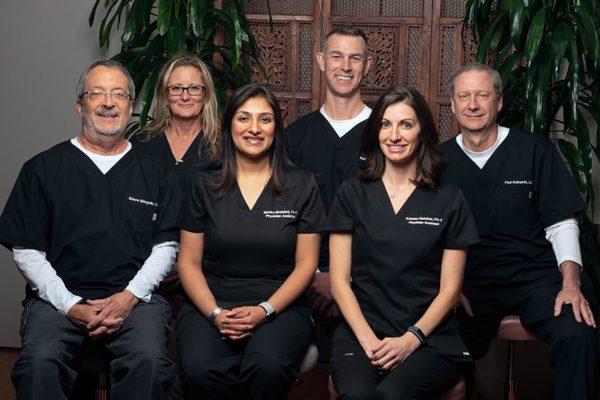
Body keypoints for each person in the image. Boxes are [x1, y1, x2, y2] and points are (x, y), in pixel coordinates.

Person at [0, 60, 178, 400]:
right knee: (40, 362)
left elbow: (167, 246)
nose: (108, 102)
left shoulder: (157, 173)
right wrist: (70, 305)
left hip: (136, 300)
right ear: (80, 105)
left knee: (151, 362)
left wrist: (127, 299)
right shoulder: (43, 169)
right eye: (97, 93)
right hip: (58, 300)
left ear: (131, 105)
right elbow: (27, 250)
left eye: (118, 94)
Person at [440, 62, 600, 399]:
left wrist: (570, 284)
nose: (473, 104)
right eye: (464, 96)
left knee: (577, 332)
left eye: (482, 95)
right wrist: (446, 288)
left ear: (498, 102)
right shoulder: (438, 161)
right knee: (436, 348)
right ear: (452, 105)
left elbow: (561, 223)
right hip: (470, 283)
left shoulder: (534, 150)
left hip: (534, 277)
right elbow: (425, 234)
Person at [176, 83, 325, 399]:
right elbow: (188, 262)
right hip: (211, 303)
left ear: (276, 127)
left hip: (279, 307)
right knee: (200, 370)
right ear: (230, 124)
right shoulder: (203, 183)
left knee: (267, 366)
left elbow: (307, 265)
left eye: (265, 119)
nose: (254, 129)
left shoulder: (302, 184)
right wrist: (216, 314)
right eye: (244, 118)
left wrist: (264, 310)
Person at [328, 86, 478, 399]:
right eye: (386, 124)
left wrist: (410, 340)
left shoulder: (449, 200)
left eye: (406, 125)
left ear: (422, 132)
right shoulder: (351, 193)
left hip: (429, 337)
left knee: (392, 395)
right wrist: (369, 341)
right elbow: (339, 282)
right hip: (361, 331)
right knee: (357, 394)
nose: (394, 135)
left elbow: (450, 291)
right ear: (376, 132)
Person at [285, 25, 374, 321]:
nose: (345, 67)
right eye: (337, 57)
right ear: (322, 61)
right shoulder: (294, 137)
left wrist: (344, 278)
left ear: (368, 65)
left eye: (355, 58)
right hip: (302, 276)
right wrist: (314, 274)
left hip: (371, 279)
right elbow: (280, 216)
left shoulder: (386, 135)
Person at [131, 53, 220, 169]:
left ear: (206, 95)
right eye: (176, 88)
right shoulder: (142, 143)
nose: (185, 97)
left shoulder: (222, 145)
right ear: (165, 96)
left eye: (194, 88)